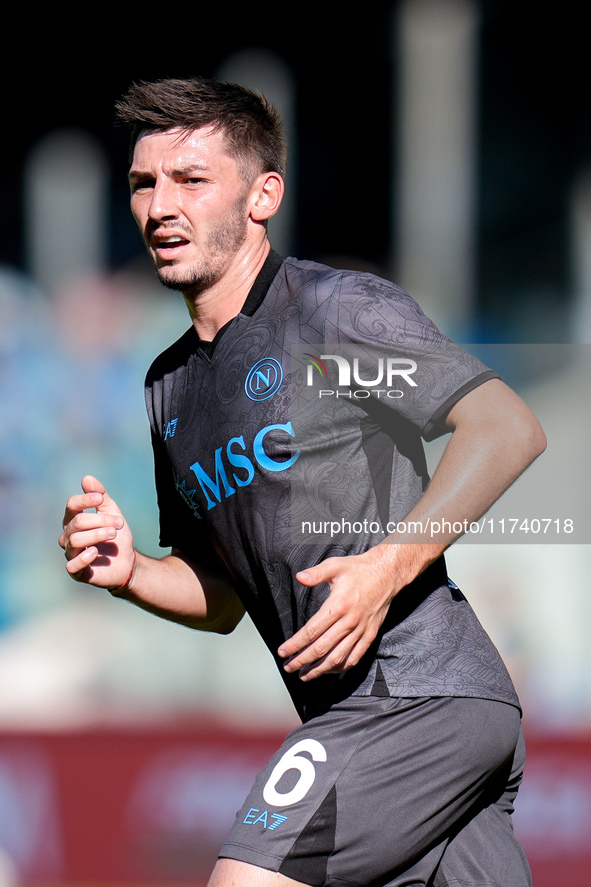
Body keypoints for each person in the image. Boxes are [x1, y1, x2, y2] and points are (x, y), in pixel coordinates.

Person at [59, 77, 545, 887]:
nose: (159, 206)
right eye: (144, 183)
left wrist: (384, 569)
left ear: (262, 196)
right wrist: (135, 570)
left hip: (417, 692)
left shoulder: (333, 313)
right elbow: (222, 595)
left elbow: (504, 427)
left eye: (191, 179)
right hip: (378, 717)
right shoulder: (168, 388)